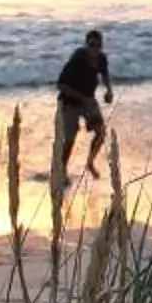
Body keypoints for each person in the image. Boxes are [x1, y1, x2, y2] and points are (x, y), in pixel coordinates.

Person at [50, 28, 112, 189]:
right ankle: (61, 169)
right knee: (70, 137)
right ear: (86, 45)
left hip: (88, 101)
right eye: (92, 45)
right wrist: (83, 98)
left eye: (98, 45)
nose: (95, 49)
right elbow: (61, 85)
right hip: (69, 102)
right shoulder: (78, 59)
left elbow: (104, 75)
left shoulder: (101, 58)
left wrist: (109, 90)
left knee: (101, 131)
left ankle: (90, 162)